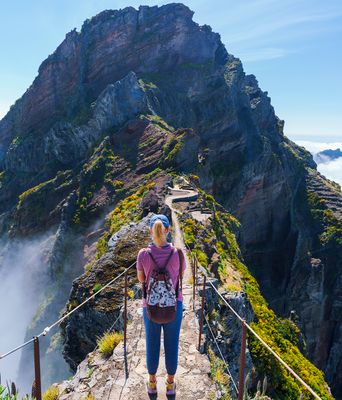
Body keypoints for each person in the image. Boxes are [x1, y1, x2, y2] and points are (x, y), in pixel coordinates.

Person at [136, 213, 186, 397]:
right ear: (167, 230)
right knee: (172, 344)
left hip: (150, 307)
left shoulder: (143, 254)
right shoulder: (178, 253)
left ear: (151, 230)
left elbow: (141, 280)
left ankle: (152, 383)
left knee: (152, 344)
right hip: (174, 306)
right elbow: (180, 276)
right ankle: (170, 384)